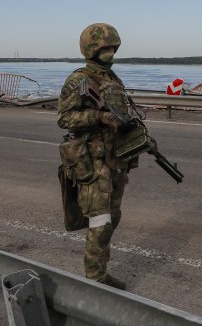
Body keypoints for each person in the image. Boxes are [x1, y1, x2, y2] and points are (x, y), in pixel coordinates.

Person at [57, 23, 143, 290]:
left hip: (115, 159)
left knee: (112, 218)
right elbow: (64, 118)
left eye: (112, 47)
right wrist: (100, 116)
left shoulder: (113, 79)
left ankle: (101, 273)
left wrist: (140, 138)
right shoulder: (79, 80)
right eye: (105, 47)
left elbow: (122, 116)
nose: (110, 51)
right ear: (91, 49)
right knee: (100, 222)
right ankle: (95, 283)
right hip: (92, 162)